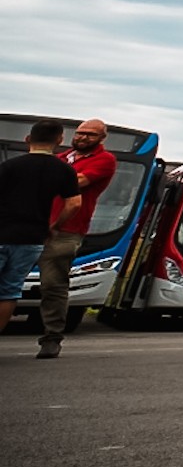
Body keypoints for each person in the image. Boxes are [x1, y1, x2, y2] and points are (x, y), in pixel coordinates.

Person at [38, 117, 117, 357]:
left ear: (101, 139)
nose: (82, 137)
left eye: (90, 135)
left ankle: (52, 336)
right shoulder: (61, 158)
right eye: (80, 133)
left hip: (66, 228)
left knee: (53, 283)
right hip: (33, 225)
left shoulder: (105, 160)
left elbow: (76, 182)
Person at [0, 120, 80, 355]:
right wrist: (54, 226)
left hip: (2, 233)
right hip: (32, 238)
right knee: (9, 290)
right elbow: (74, 203)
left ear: (28, 139)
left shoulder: (9, 166)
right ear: (59, 141)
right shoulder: (64, 170)